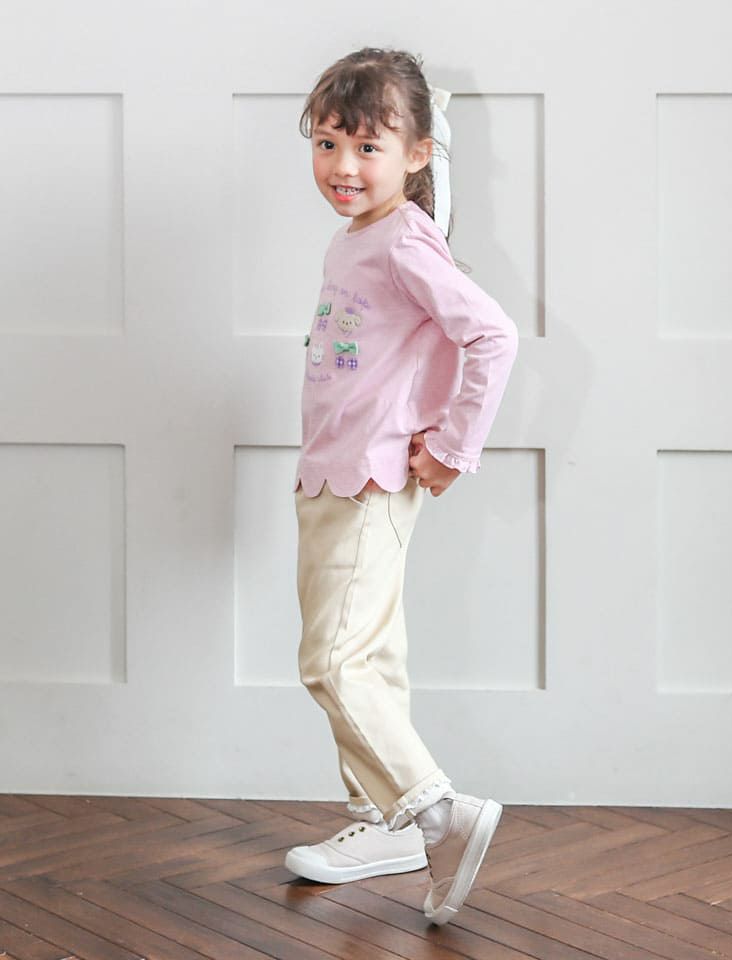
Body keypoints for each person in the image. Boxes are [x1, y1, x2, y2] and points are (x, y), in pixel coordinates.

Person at [284, 46, 519, 927]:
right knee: (369, 655)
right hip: (332, 473)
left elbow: (491, 336)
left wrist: (454, 447)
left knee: (332, 661)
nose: (343, 167)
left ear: (417, 153)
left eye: (367, 147)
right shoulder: (358, 237)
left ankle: (434, 809)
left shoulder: (405, 242)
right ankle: (381, 823)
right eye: (328, 144)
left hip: (371, 478)